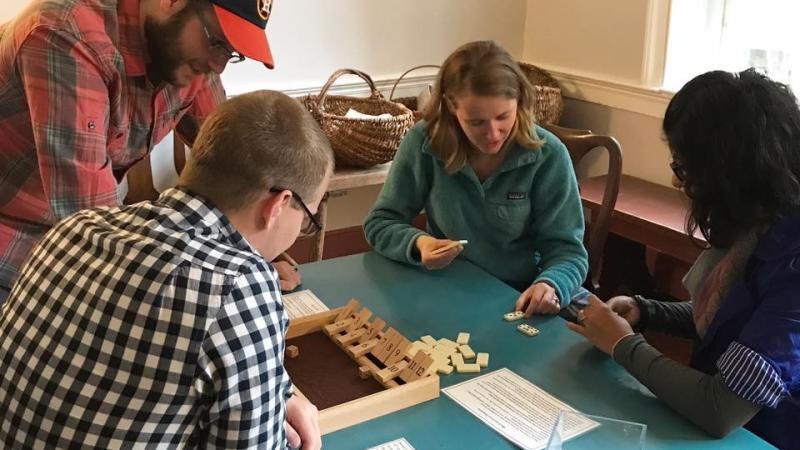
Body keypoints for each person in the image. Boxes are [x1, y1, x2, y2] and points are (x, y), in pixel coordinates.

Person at [0, 89, 332, 449]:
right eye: (308, 219)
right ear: (279, 205)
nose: (302, 232)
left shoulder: (73, 229)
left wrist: (277, 392)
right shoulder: (237, 288)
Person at [0, 0, 300, 303]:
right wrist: (229, 272)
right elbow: (92, 228)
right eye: (217, 41)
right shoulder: (66, 34)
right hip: (12, 252)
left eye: (231, 52)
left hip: (70, 251)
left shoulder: (190, 58)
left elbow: (234, 163)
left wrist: (255, 251)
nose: (218, 65)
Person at [567, 69, 800, 449]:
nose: (677, 182)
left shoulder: (792, 264)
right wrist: (646, 312)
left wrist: (623, 345)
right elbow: (730, 319)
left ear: (729, 169)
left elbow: (719, 408)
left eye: (682, 166)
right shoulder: (759, 218)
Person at [364, 40, 588, 315]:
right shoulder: (424, 142)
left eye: (503, 117)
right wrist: (420, 243)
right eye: (476, 122)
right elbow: (380, 222)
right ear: (450, 106)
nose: (493, 134)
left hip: (518, 294)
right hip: (445, 288)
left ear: (519, 101)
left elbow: (569, 252)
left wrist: (551, 284)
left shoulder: (549, 154)